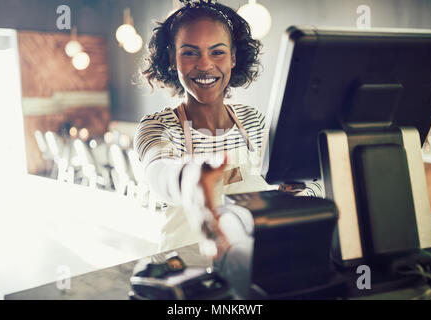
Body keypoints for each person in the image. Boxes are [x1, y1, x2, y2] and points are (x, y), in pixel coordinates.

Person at [135, 0, 321, 258]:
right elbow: (159, 171)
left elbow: (300, 186)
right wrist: (189, 180)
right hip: (186, 272)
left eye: (217, 52)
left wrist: (293, 193)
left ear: (233, 58)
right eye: (190, 52)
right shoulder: (158, 126)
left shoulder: (254, 121)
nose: (204, 64)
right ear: (171, 58)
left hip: (251, 263)